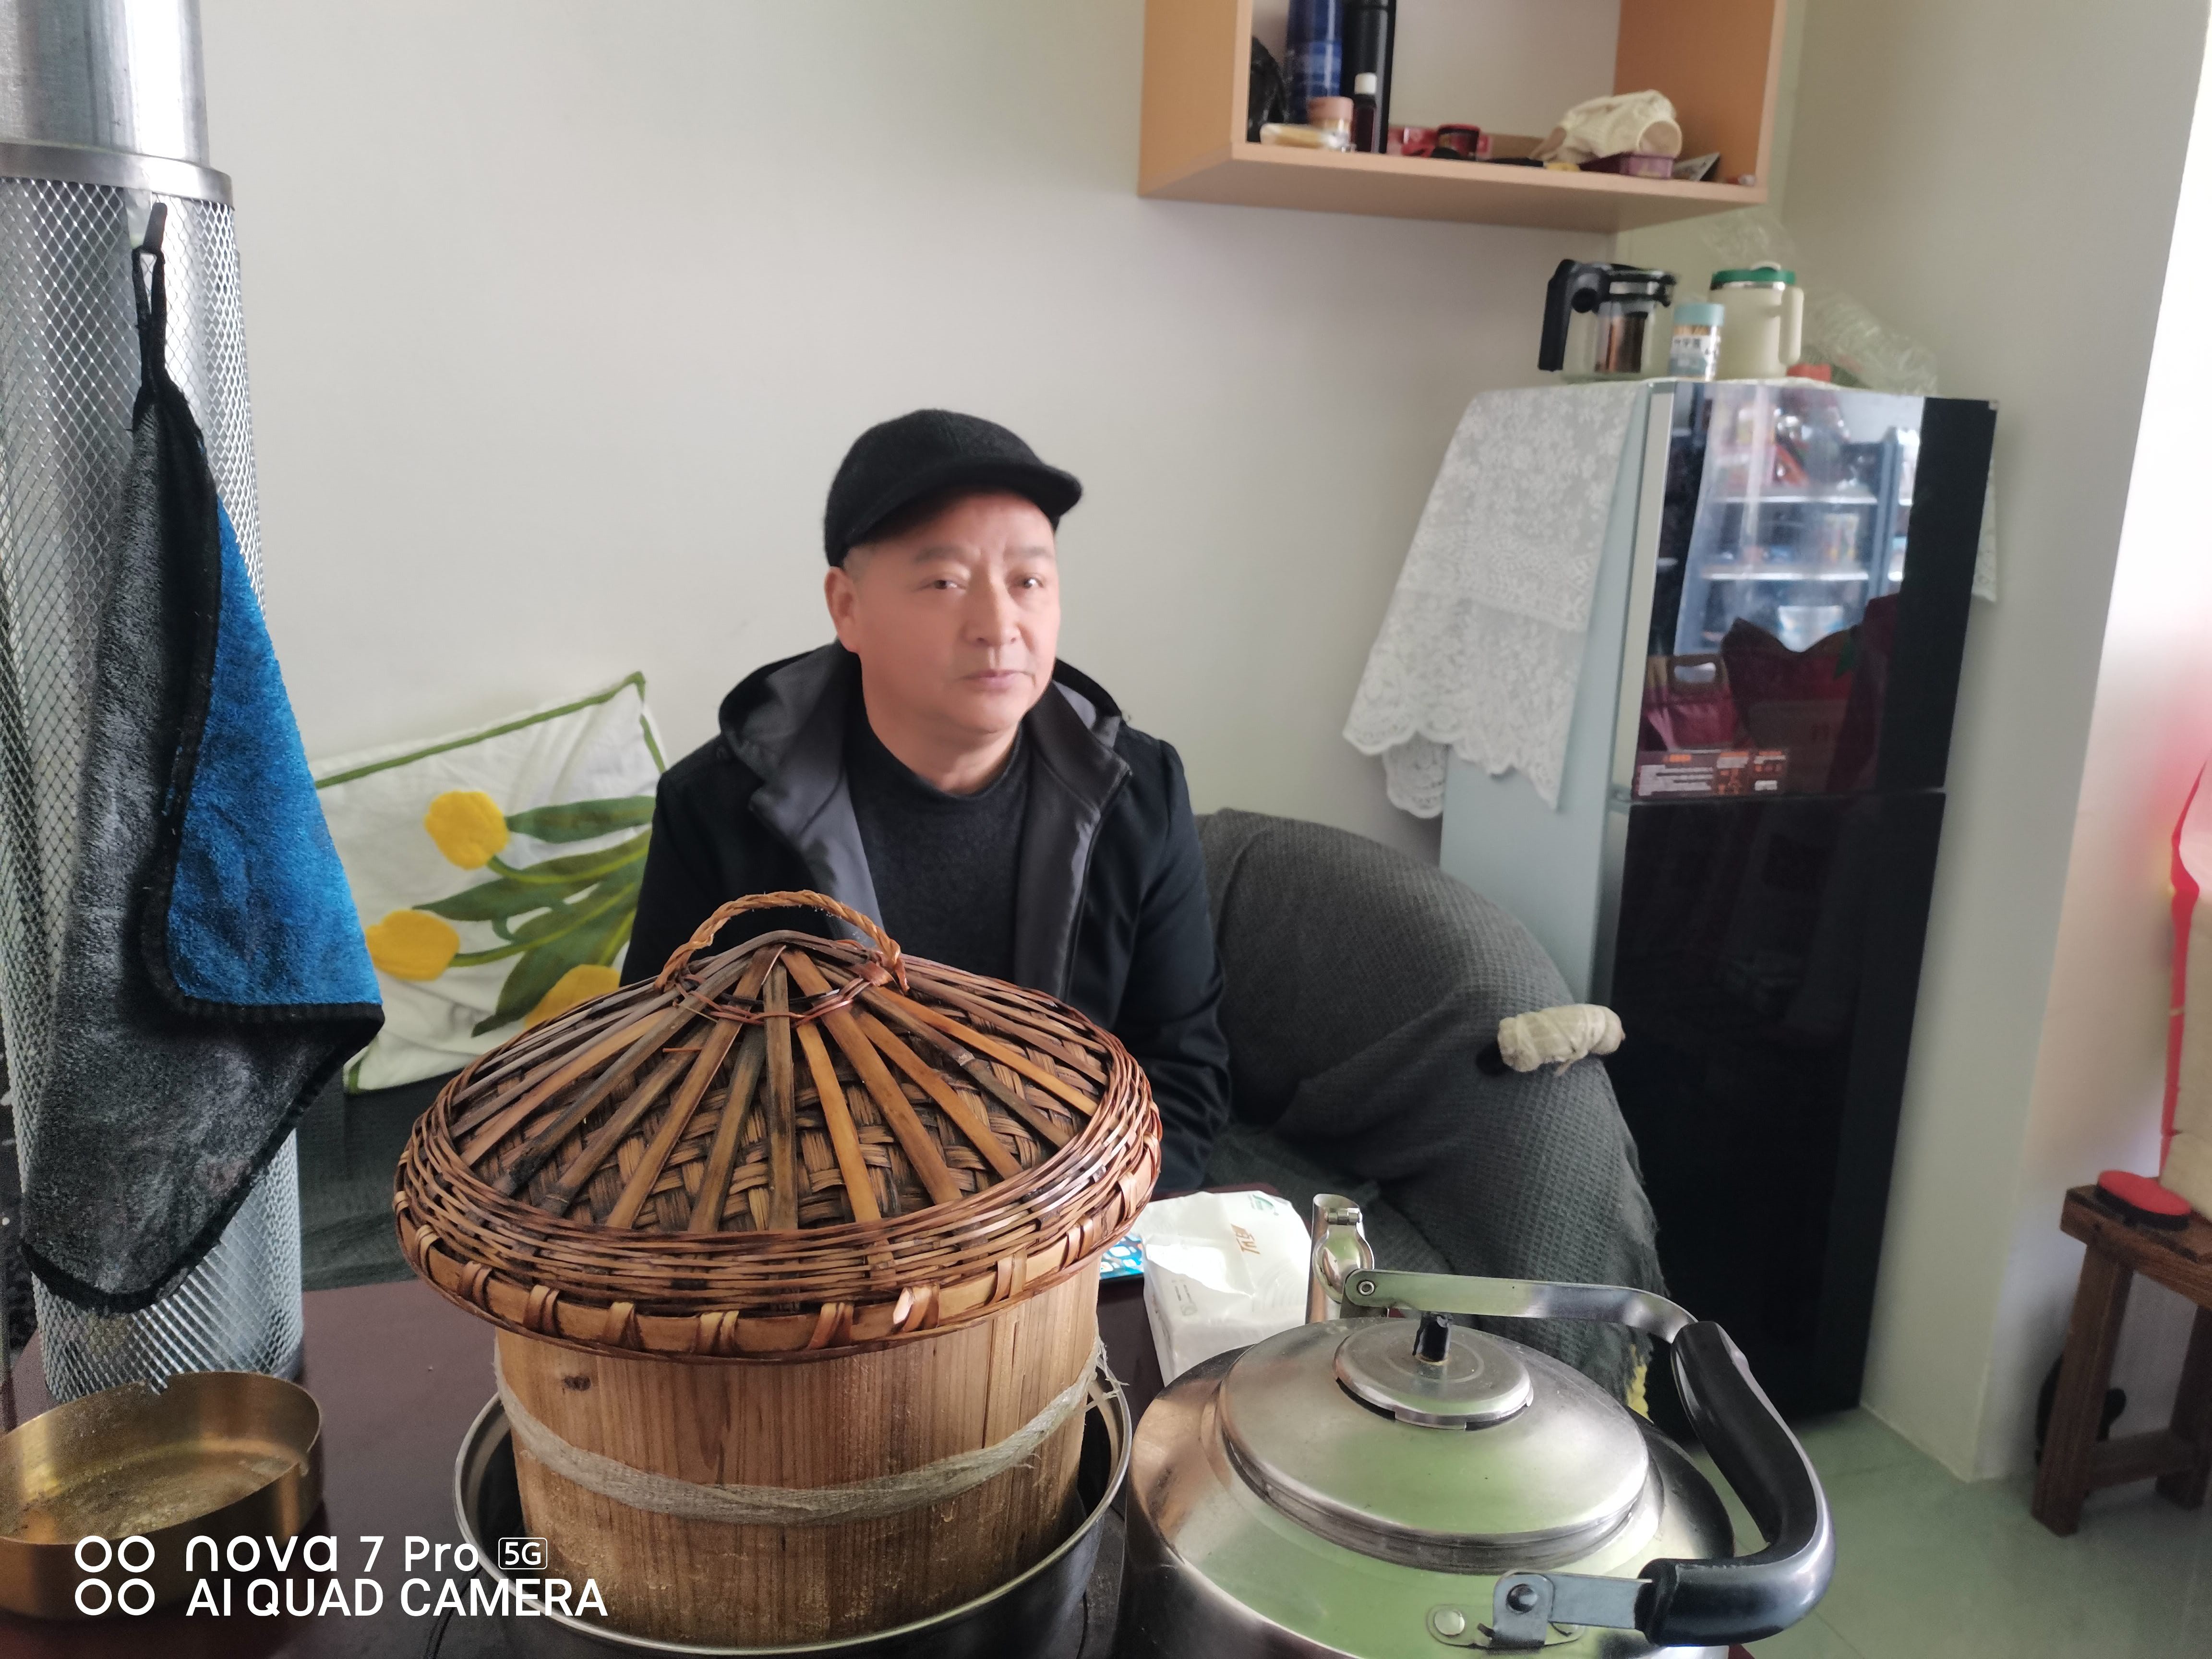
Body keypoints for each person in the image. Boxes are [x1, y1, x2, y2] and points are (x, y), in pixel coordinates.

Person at [626, 409, 1229, 1192]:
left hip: (1069, 1223)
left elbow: (1181, 1079)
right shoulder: (717, 808)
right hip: (814, 1230)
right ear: (847, 608)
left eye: (1029, 582)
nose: (999, 625)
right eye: (945, 582)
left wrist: (1059, 1227)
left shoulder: (1139, 792)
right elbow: (660, 1082)